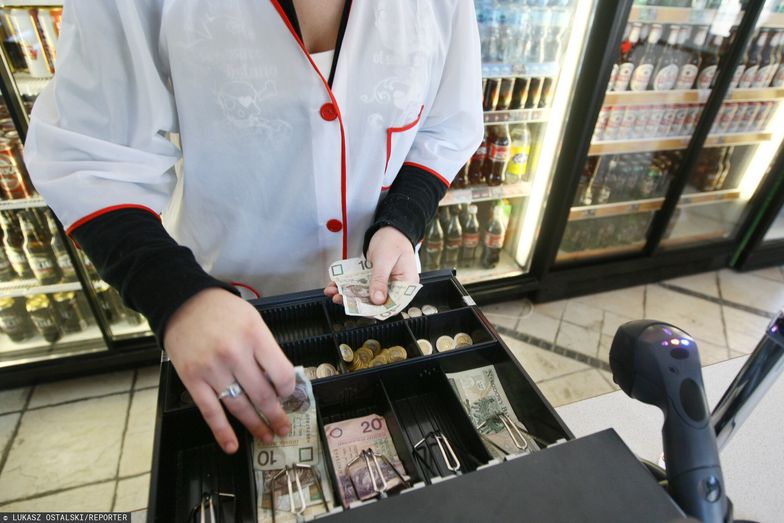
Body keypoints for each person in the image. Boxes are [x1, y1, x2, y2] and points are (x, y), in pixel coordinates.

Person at [24, 0, 483, 454]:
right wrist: (179, 297)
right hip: (224, 301)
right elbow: (91, 157)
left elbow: (444, 126)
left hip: (377, 289)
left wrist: (401, 222)